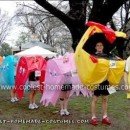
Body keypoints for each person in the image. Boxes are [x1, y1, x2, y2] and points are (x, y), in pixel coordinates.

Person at [90, 42, 111, 125]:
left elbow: (110, 67)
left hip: (105, 80)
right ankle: (93, 117)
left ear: (103, 47)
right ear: (95, 47)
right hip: (96, 81)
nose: (99, 47)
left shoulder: (107, 56)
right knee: (95, 99)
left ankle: (105, 117)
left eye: (101, 45)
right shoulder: (92, 56)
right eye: (97, 45)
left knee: (105, 99)